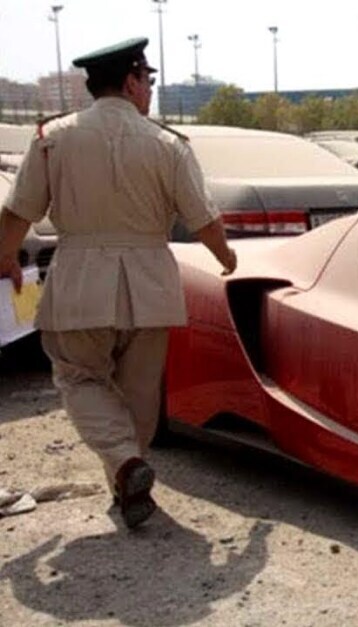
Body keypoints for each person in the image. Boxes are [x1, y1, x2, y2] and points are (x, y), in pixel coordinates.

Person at [0, 37, 237, 529]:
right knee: (139, 393)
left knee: (78, 377)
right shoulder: (168, 144)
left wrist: (5, 258)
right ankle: (129, 482)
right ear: (130, 81)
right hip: (150, 288)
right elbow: (204, 220)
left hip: (81, 283)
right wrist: (227, 257)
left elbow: (18, 210)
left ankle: (126, 466)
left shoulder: (53, 138)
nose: (150, 88)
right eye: (148, 79)